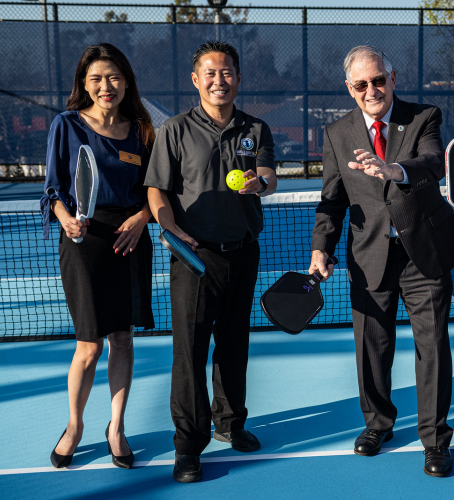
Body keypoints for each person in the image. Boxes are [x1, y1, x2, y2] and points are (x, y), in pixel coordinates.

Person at [309, 45, 454, 477]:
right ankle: (377, 425)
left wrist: (395, 170)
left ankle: (434, 440)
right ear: (350, 89)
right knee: (371, 348)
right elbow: (331, 199)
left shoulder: (423, 116)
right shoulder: (337, 133)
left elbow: (433, 162)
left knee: (431, 346)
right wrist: (322, 246)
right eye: (362, 84)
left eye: (379, 80)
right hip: (368, 255)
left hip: (423, 253)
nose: (372, 89)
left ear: (393, 78)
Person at [145, 40, 277, 484]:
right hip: (194, 258)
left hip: (243, 253)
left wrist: (259, 183)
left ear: (238, 78)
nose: (219, 80)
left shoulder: (255, 128)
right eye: (211, 73)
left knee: (234, 346)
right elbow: (156, 190)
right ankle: (188, 446)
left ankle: (230, 423)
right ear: (195, 80)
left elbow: (270, 175)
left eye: (227, 73)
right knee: (190, 354)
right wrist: (169, 226)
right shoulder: (175, 131)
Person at [41, 43, 157, 470]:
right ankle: (74, 426)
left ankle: (117, 427)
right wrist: (66, 218)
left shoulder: (143, 130)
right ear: (84, 85)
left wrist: (143, 218)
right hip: (83, 238)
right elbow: (53, 187)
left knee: (122, 339)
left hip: (130, 237)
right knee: (89, 345)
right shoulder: (66, 125)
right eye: (95, 79)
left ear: (126, 82)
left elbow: (156, 189)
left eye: (112, 78)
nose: (105, 86)